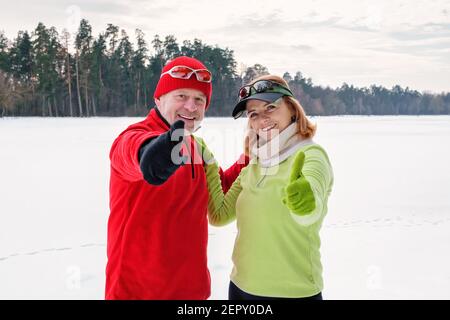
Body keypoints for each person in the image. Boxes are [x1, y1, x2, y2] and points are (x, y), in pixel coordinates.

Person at [106, 56, 248, 300]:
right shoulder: (135, 136)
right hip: (137, 293)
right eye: (181, 96)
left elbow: (220, 190)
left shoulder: (198, 147)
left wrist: (251, 157)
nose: (191, 107)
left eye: (199, 99)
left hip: (192, 293)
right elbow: (131, 152)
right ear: (159, 99)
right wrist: (149, 154)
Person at [204, 75, 334, 300]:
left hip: (293, 293)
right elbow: (220, 215)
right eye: (253, 114)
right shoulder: (254, 163)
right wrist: (206, 161)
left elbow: (311, 211)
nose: (262, 119)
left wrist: (305, 202)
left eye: (270, 108)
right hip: (240, 288)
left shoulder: (311, 155)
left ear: (292, 109)